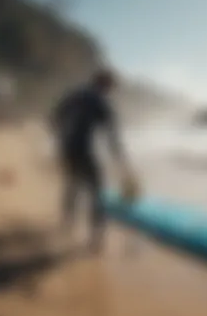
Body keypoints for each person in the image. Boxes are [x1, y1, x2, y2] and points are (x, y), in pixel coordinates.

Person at [50, 68, 140, 254]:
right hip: (83, 149)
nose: (111, 91)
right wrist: (124, 166)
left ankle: (66, 223)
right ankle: (96, 239)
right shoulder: (102, 103)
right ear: (106, 85)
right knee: (97, 192)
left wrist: (61, 140)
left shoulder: (75, 95)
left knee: (72, 183)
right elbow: (113, 139)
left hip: (68, 148)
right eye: (111, 87)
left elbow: (55, 118)